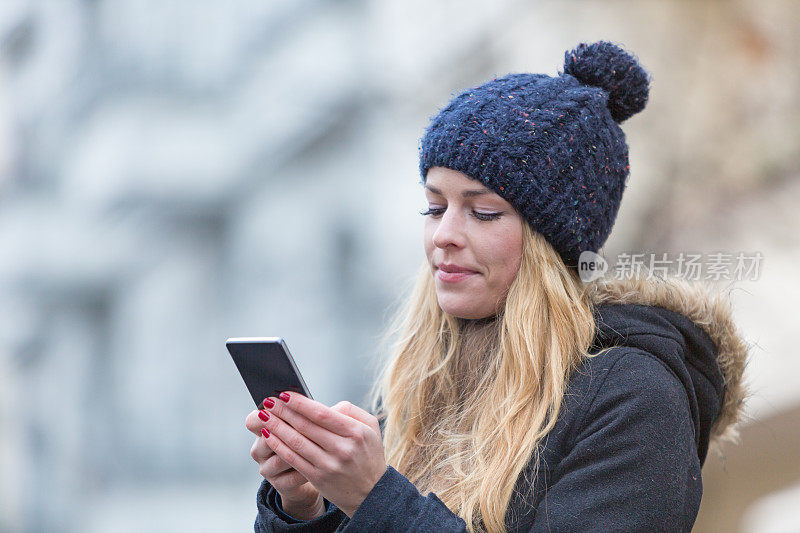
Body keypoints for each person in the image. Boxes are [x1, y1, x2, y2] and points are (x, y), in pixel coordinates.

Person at [245, 40, 750, 532]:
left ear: (550, 242)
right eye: (435, 207)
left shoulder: (636, 401)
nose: (443, 235)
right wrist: (307, 508)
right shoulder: (425, 386)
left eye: (482, 212)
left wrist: (375, 499)